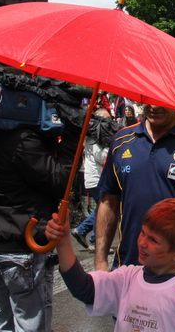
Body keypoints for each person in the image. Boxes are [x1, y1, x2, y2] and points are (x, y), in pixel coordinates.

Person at [0, 64, 80, 331]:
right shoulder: (21, 141)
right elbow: (60, 181)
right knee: (30, 323)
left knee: (3, 320)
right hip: (20, 246)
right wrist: (72, 136)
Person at [46, 198, 175, 331]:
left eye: (153, 240)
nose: (142, 243)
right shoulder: (127, 277)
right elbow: (83, 288)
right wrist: (63, 241)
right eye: (143, 233)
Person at [94, 104, 175, 271]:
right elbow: (108, 201)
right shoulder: (121, 140)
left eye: (161, 100)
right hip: (127, 267)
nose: (154, 106)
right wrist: (100, 261)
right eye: (149, 100)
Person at [71, 107, 112, 251]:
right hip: (96, 179)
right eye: (106, 119)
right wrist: (112, 149)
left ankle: (82, 231)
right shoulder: (95, 137)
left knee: (102, 208)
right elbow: (101, 157)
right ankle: (93, 240)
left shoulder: (98, 135)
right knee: (104, 209)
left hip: (96, 178)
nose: (109, 122)